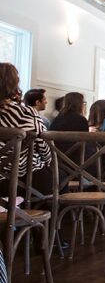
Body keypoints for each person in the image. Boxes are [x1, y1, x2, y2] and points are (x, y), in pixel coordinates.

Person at [0, 63, 51, 192]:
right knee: (56, 179)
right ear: (13, 84)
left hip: (4, 181)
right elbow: (42, 144)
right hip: (22, 179)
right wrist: (49, 161)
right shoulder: (25, 112)